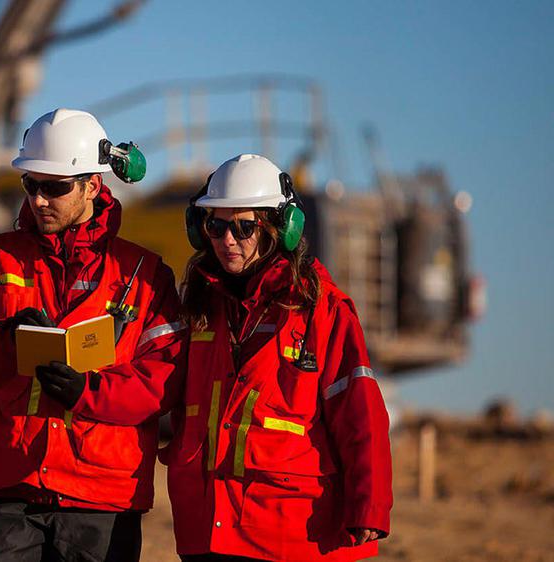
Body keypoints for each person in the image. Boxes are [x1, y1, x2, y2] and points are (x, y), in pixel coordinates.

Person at [0, 108, 186, 561]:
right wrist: (7, 338)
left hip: (101, 498)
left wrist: (88, 391)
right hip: (7, 488)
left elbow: (163, 377)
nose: (40, 200)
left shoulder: (146, 275)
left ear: (93, 185)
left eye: (55, 187)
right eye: (31, 185)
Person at [163, 154, 392, 561]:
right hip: (206, 528)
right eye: (215, 225)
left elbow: (359, 412)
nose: (227, 240)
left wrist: (368, 507)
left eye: (243, 227)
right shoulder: (198, 305)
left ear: (279, 229)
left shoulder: (322, 309)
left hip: (289, 534)